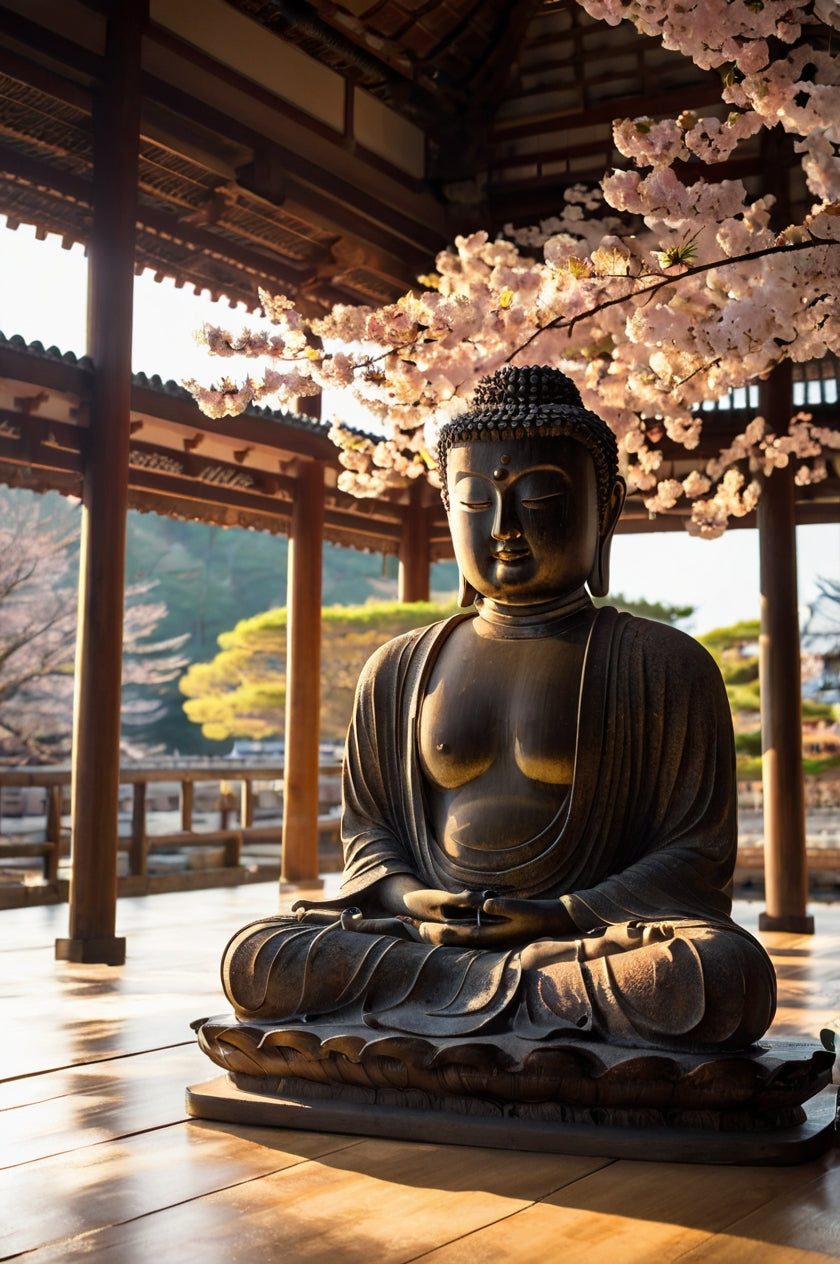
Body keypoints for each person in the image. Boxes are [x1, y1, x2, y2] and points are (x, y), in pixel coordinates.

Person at [221, 365, 776, 1052]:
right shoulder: (397, 670)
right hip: (426, 936)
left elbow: (696, 855)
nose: (505, 528)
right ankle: (527, 1004)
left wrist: (562, 914)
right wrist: (407, 898)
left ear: (607, 508)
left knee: (721, 978)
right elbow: (369, 835)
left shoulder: (662, 664)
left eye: (539, 497)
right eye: (476, 502)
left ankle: (476, 1002)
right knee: (260, 957)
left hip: (583, 942)